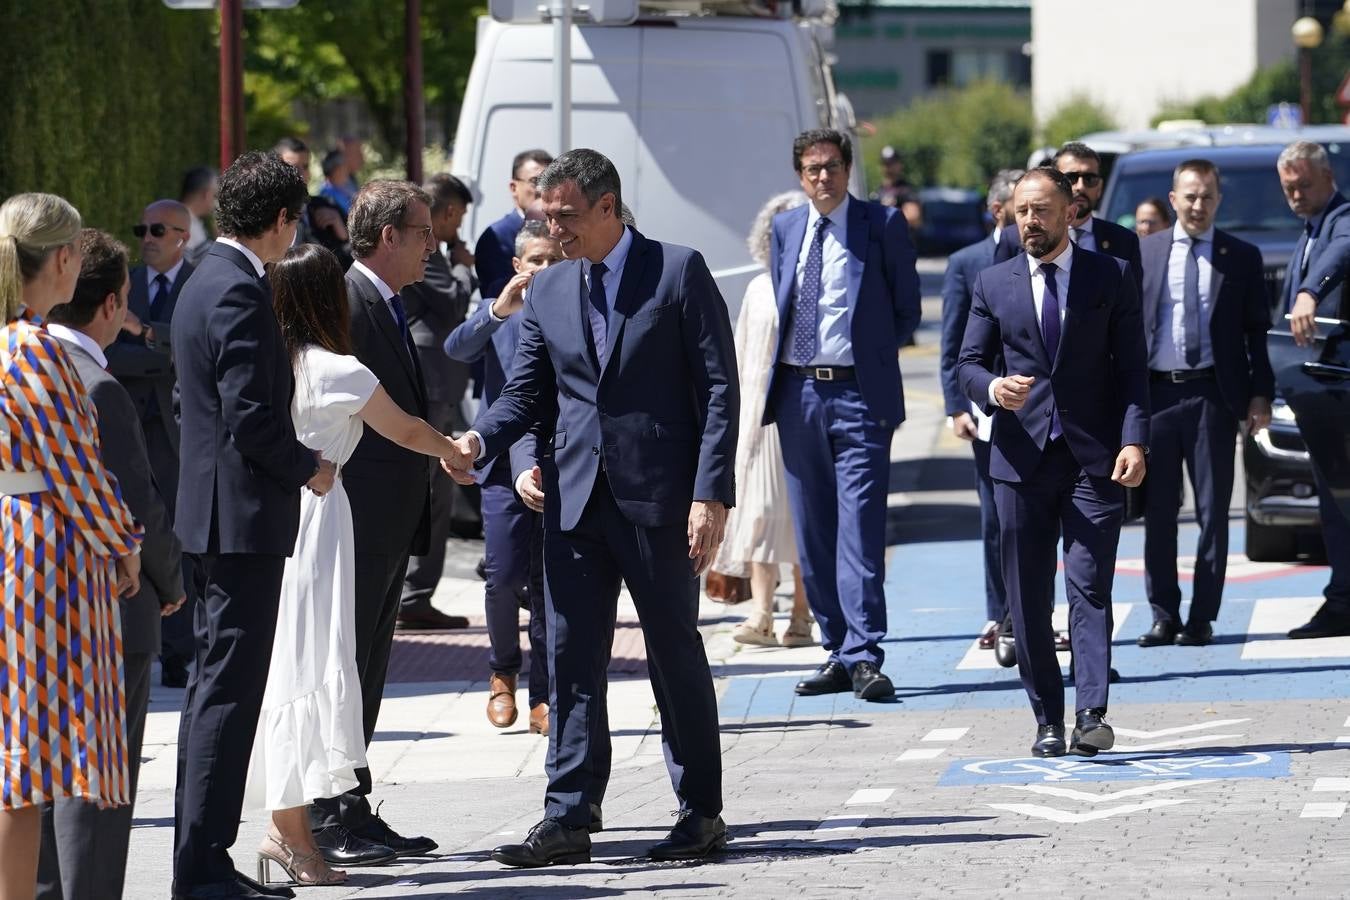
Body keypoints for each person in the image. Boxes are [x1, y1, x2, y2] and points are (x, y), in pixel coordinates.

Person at [444, 147, 739, 866]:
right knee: (571, 656)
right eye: (548, 218)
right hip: (575, 502)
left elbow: (720, 388)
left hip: (660, 499)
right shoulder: (549, 290)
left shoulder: (677, 271)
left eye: (568, 218)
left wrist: (710, 494)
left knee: (674, 654)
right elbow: (526, 393)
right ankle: (569, 815)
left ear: (608, 206)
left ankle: (700, 810)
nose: (557, 233)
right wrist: (481, 441)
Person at [243, 243, 462, 888]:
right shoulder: (340, 370)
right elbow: (409, 432)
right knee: (311, 670)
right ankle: (291, 836)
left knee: (293, 670)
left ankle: (290, 829)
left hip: (285, 519)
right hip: (322, 523)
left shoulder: (274, 366)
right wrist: (456, 450)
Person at [172, 150, 335, 900]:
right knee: (227, 698)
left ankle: (200, 861)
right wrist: (308, 465)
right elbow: (248, 417)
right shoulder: (237, 287)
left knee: (215, 693)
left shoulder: (205, 274)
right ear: (280, 221)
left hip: (213, 518)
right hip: (238, 522)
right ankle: (203, 868)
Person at [958, 167, 1149, 758]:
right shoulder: (994, 283)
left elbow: (1133, 370)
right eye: (1021, 212)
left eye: (1041, 210)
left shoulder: (1111, 275)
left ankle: (1091, 712)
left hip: (1093, 459)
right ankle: (1047, 718)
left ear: (1070, 211)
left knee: (1089, 587)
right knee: (1027, 595)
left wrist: (1134, 441)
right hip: (1020, 461)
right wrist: (992, 389)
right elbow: (967, 363)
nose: (1030, 222)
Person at [0, 193, 143, 900]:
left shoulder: (12, 344)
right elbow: (78, 470)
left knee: (22, 762)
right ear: (61, 260)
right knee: (27, 763)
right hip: (45, 552)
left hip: (20, 538)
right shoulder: (35, 350)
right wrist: (126, 542)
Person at [38, 229, 185, 900]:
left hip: (29, 597)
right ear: (111, 304)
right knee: (100, 781)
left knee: (34, 770)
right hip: (103, 601)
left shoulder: (19, 368)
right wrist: (170, 581)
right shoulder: (97, 387)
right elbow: (138, 507)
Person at [309, 181, 440, 866]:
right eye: (422, 232)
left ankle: (353, 803)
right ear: (388, 235)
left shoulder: (385, 301)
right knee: (343, 668)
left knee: (367, 668)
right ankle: (328, 814)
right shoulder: (347, 301)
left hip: (386, 524)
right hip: (351, 521)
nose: (432, 244)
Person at [765, 128, 922, 701]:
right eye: (812, 169)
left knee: (860, 527)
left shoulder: (881, 225)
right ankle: (837, 648)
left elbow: (906, 310)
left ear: (848, 169)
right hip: (797, 394)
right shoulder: (785, 228)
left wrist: (871, 358)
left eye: (832, 167)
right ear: (799, 176)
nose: (823, 178)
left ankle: (865, 652)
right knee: (813, 530)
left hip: (858, 394)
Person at [1136, 159, 1272, 648]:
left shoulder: (1241, 256)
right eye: (1189, 196)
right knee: (1158, 511)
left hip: (1213, 395)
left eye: (1207, 196)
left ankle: (1202, 617)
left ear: (1218, 199)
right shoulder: (1144, 253)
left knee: (1213, 513)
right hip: (1156, 396)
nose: (1198, 205)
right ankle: (1163, 614)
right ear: (1173, 200)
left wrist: (1261, 392)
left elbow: (1258, 331)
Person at [444, 220, 560, 730]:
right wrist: (495, 311)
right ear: (518, 266)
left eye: (553, 260)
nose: (544, 270)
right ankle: (501, 675)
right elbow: (456, 349)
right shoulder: (501, 309)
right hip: (499, 461)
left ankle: (545, 693)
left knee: (548, 581)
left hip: (555, 461)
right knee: (504, 574)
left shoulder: (574, 307)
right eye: (536, 261)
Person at [710, 191, 815, 649]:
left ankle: (802, 613)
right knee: (757, 513)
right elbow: (738, 353)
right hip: (755, 416)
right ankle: (762, 612)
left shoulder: (814, 285)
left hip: (794, 414)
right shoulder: (757, 287)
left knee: (797, 516)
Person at [105, 199, 196, 687]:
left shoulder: (196, 283)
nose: (147, 237)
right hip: (126, 427)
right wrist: (153, 349)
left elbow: (187, 351)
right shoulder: (127, 282)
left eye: (157, 229)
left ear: (183, 235)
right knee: (130, 530)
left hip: (174, 434)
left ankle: (179, 651)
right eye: (142, 228)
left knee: (173, 539)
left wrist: (142, 333)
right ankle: (134, 636)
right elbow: (107, 352)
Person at [940, 169, 1022, 650]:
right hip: (986, 408)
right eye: (1021, 206)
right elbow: (953, 344)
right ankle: (1000, 613)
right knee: (995, 517)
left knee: (1031, 519)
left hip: (1037, 406)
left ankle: (1027, 611)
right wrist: (957, 407)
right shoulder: (966, 263)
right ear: (998, 210)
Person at [399, 172, 478, 632]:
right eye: (458, 216)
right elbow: (450, 303)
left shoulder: (429, 250)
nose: (455, 228)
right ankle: (414, 595)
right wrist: (464, 266)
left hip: (435, 385)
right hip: (429, 387)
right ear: (447, 212)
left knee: (434, 493)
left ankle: (415, 593)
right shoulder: (433, 256)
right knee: (432, 493)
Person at [1278, 140, 1350, 639]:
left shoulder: (1341, 219)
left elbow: (1342, 250)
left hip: (1341, 389)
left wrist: (1310, 290)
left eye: (1305, 184)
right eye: (1289, 188)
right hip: (1320, 396)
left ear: (1328, 178)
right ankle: (1343, 598)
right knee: (1335, 501)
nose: (1297, 195)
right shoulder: (1308, 231)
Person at [475, 149, 553, 302]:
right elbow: (497, 299)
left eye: (550, 181)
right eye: (536, 181)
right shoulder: (496, 238)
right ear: (513, 187)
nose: (543, 189)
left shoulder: (564, 230)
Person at [871, 145, 922, 233]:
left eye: (892, 163)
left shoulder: (906, 190)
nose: (889, 168)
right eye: (886, 164)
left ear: (900, 165)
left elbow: (913, 217)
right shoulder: (877, 193)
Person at [180, 166, 218, 266]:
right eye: (215, 195)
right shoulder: (183, 222)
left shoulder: (191, 221)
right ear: (207, 194)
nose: (216, 202)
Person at [319, 149, 355, 218]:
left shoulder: (348, 184)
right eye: (343, 165)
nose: (346, 169)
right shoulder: (326, 196)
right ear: (334, 170)